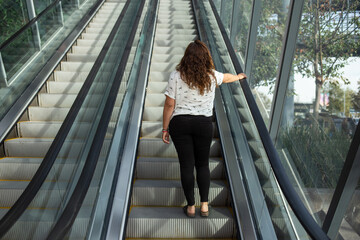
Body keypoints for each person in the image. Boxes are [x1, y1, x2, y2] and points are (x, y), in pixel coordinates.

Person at [162, 40, 247, 218]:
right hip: (203, 124)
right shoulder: (212, 76)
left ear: (186, 57)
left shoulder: (176, 75)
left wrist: (165, 128)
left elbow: (170, 104)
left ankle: (191, 207)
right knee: (202, 164)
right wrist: (239, 77)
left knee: (186, 165)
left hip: (180, 123)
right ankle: (205, 206)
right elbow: (227, 77)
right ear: (205, 58)